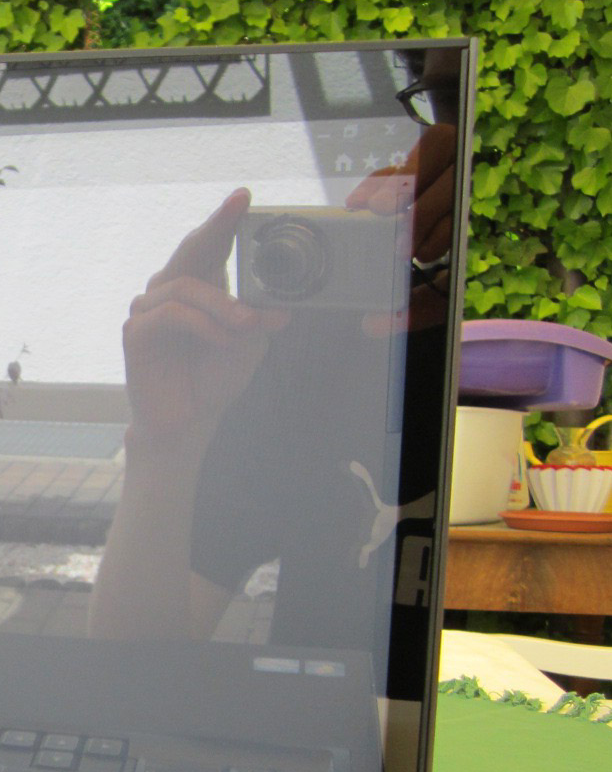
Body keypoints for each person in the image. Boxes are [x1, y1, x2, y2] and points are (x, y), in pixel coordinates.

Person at [89, 48, 462, 655]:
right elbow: (135, 657)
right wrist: (166, 445)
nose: (452, 149)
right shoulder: (315, 351)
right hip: (327, 711)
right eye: (446, 104)